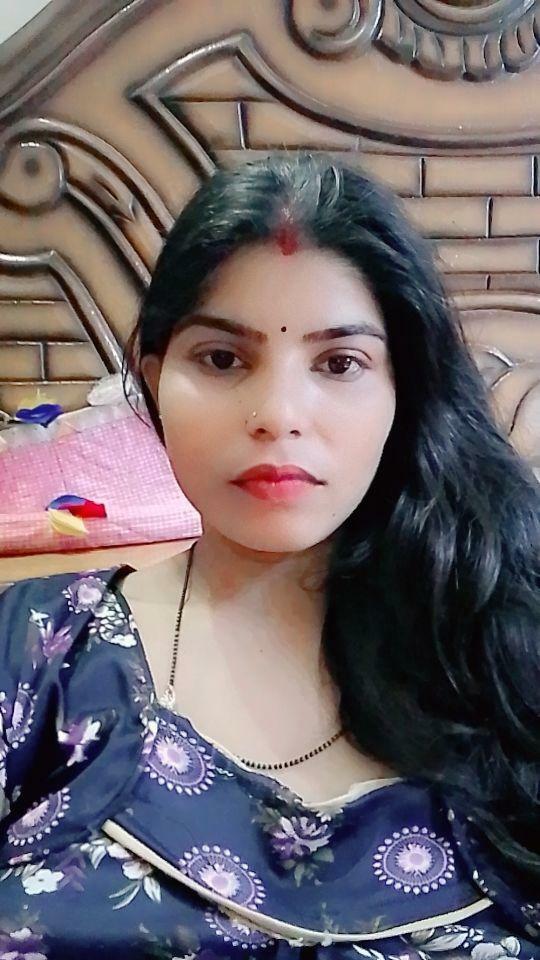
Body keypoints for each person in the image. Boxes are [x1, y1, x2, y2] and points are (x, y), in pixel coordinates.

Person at [0, 152, 538, 958]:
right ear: (154, 378)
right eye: (223, 359)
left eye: (340, 363)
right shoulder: (41, 653)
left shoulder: (507, 644)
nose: (279, 413)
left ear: (405, 389)